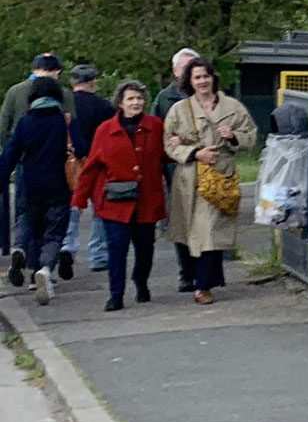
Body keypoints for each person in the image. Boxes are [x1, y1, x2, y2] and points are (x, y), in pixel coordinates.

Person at [163, 57, 257, 306]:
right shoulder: (179, 110)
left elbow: (251, 136)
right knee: (191, 233)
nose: (202, 81)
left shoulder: (233, 107)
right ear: (189, 81)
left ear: (213, 77)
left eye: (206, 76)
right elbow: (168, 144)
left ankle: (202, 286)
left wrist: (233, 136)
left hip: (219, 177)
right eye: (197, 77)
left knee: (209, 230)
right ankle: (200, 279)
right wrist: (194, 153)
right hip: (189, 179)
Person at [71, 81, 166, 312]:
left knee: (145, 248)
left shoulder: (155, 126)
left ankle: (141, 282)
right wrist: (79, 200)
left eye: (139, 98)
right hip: (115, 202)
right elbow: (91, 167)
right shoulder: (105, 130)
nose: (136, 103)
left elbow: (168, 154)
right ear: (120, 103)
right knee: (116, 249)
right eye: (131, 99)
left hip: (146, 200)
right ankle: (116, 294)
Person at [0, 76, 78, 304]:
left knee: (34, 229)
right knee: (54, 231)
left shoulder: (25, 121)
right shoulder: (64, 121)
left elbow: (11, 154)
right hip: (59, 186)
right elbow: (82, 147)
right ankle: (45, 269)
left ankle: (27, 258)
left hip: (31, 184)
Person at [155, 49, 201, 292]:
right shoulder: (164, 99)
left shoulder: (208, 95)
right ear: (175, 71)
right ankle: (186, 274)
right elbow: (157, 135)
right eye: (183, 68)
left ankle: (207, 275)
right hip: (176, 170)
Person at [65, 63, 115, 278]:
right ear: (94, 80)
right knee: (99, 210)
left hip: (68, 162)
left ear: (71, 82)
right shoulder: (104, 107)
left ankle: (67, 247)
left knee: (71, 208)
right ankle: (99, 255)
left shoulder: (64, 106)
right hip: (97, 162)